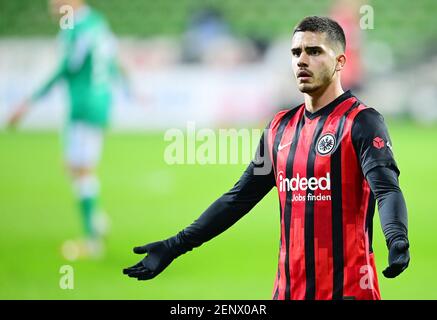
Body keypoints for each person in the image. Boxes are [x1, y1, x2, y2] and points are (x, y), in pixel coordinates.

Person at [123, 16, 410, 300]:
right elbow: (238, 199)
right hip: (287, 292)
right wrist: (174, 246)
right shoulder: (279, 128)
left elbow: (386, 189)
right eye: (296, 52)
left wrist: (396, 237)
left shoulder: (361, 122)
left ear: (340, 62)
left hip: (347, 291)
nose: (301, 60)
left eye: (314, 52)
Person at [8, 0, 120, 260]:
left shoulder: (75, 28)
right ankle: (98, 222)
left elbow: (64, 69)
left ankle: (93, 242)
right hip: (100, 102)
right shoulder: (98, 23)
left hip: (83, 106)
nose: (51, 5)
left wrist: (27, 102)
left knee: (81, 170)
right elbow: (112, 61)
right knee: (74, 166)